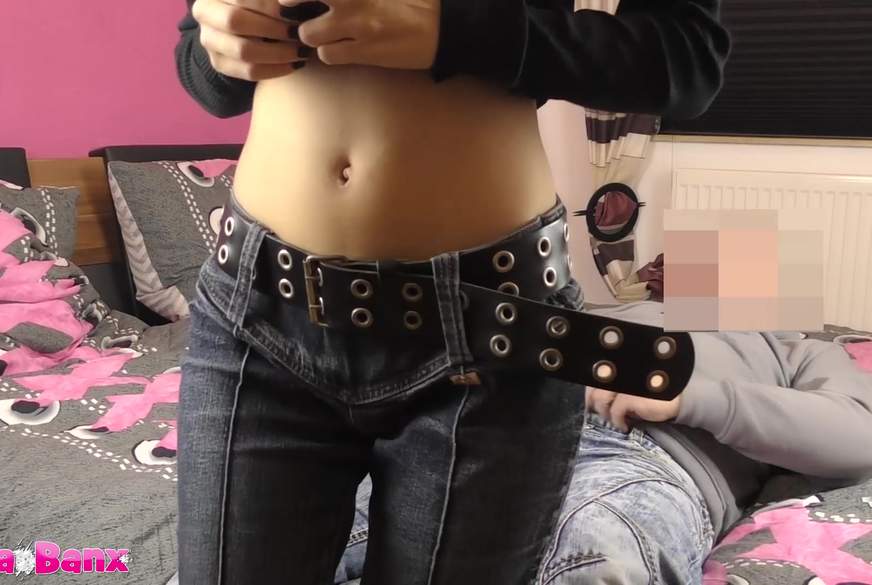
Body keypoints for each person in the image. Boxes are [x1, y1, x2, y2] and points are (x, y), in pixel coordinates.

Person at [173, 1, 730, 583]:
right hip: (256, 314)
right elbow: (201, 64)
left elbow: (685, 59)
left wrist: (454, 30)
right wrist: (222, 43)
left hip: (491, 338)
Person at [334, 301, 872, 584]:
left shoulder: (794, 350)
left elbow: (859, 435)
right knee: (317, 533)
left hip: (641, 456)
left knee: (598, 556)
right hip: (490, 430)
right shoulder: (601, 307)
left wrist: (687, 396)